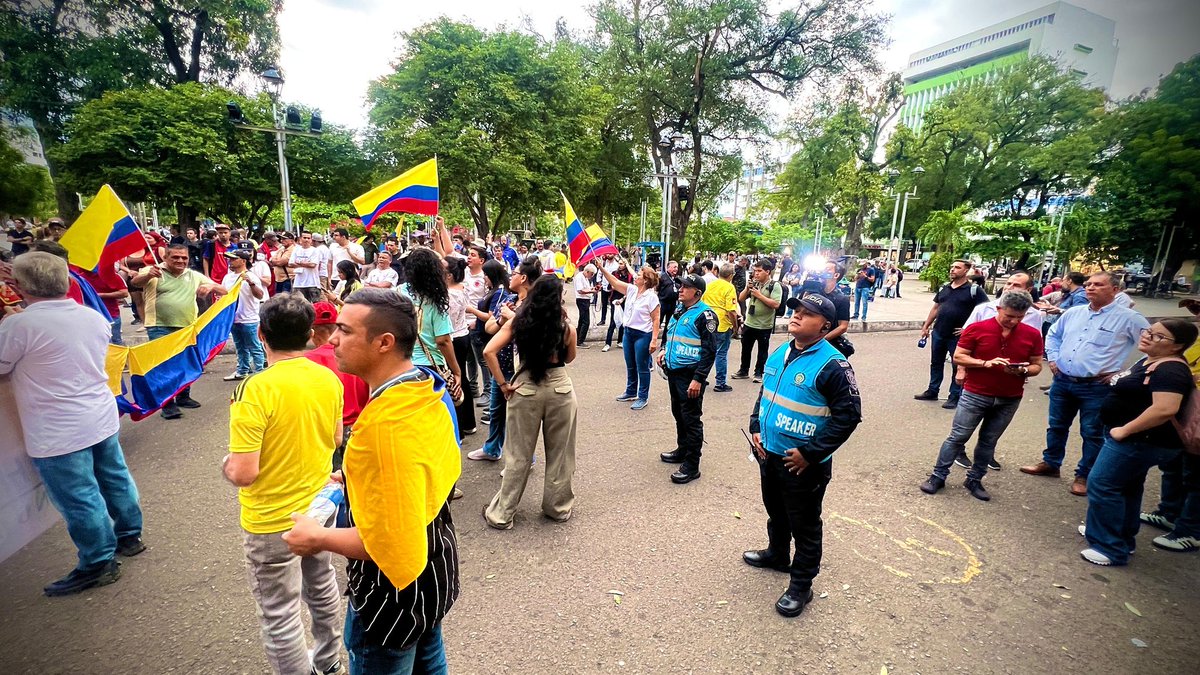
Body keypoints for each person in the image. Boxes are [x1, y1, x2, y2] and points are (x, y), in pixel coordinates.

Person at [282, 289, 461, 674]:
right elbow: (429, 468)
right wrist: (356, 477)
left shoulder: (382, 427)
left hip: (392, 595)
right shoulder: (423, 386)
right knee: (430, 659)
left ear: (384, 342)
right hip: (435, 566)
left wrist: (317, 537)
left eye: (344, 331)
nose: (331, 339)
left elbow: (389, 544)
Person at [0, 251, 145, 596]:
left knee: (80, 496)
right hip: (98, 415)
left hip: (58, 428)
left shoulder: (19, 326)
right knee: (115, 478)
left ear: (19, 286)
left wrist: (12, 318)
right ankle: (130, 535)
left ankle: (98, 561)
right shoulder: (90, 316)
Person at [221, 293, 343, 675]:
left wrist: (226, 465)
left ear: (260, 334)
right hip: (319, 507)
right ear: (310, 334)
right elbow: (337, 439)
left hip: (271, 517)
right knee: (322, 586)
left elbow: (243, 473)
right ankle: (329, 662)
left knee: (279, 610)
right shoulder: (328, 376)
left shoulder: (254, 389)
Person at [745, 292, 862, 617]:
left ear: (825, 325)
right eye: (796, 309)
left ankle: (801, 586)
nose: (796, 315)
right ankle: (777, 554)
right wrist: (756, 425)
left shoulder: (833, 365)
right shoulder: (782, 351)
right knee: (776, 511)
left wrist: (811, 454)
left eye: (807, 313)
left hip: (803, 465)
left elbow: (848, 416)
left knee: (806, 525)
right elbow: (765, 392)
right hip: (769, 453)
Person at [1079, 318, 1198, 566]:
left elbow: (1165, 409)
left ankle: (1109, 547)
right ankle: (1120, 537)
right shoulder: (1150, 360)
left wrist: (1125, 430)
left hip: (1140, 441)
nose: (1147, 336)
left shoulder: (1171, 370)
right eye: (1149, 331)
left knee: (1103, 484)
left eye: (1158, 336)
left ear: (1178, 346)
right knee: (1127, 488)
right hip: (1133, 440)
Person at [1020, 272, 1151, 496]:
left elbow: (1155, 347)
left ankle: (1084, 475)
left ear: (1115, 290)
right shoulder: (1074, 313)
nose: (1091, 288)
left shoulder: (1129, 318)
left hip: (1096, 387)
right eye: (1089, 284)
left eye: (1098, 285)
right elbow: (1053, 334)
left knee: (1091, 432)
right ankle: (1051, 463)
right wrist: (1052, 358)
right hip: (1062, 381)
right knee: (1057, 426)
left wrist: (1124, 373)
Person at [919, 292, 1044, 500]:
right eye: (1009, 316)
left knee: (989, 440)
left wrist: (1023, 370)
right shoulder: (977, 329)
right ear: (999, 309)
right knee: (958, 436)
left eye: (1020, 317)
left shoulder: (1031, 334)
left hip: (1009, 397)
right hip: (976, 393)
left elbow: (1037, 365)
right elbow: (959, 356)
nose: (1014, 321)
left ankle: (975, 479)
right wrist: (985, 363)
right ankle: (938, 476)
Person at [482, 275, 578, 528]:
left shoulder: (518, 323)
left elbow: (488, 351)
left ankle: (502, 513)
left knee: (518, 455)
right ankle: (557, 508)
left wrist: (503, 384)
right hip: (560, 389)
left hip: (524, 388)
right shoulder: (567, 328)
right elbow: (569, 358)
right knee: (560, 454)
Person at [130, 243, 227, 419]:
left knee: (184, 363)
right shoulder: (153, 271)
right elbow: (134, 282)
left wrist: (212, 287)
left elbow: (224, 290)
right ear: (165, 257)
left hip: (187, 327)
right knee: (164, 366)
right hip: (159, 326)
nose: (180, 261)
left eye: (184, 258)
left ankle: (183, 396)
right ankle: (168, 404)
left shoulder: (193, 275)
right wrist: (147, 276)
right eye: (175, 257)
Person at [1140, 299, 1200, 552]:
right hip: (1184, 416)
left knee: (1197, 478)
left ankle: (1191, 531)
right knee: (1174, 466)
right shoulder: (1196, 344)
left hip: (1195, 419)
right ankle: (1169, 511)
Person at [469, 256, 540, 462]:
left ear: (524, 278)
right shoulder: (510, 299)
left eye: (515, 273)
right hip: (500, 362)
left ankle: (524, 457)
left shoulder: (535, 303)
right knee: (497, 410)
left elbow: (533, 332)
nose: (511, 276)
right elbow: (490, 327)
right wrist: (504, 318)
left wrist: (511, 318)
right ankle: (492, 448)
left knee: (518, 417)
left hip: (520, 366)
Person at [658, 274, 718, 483]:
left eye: (686, 287)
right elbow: (670, 333)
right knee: (679, 414)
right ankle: (682, 450)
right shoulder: (679, 310)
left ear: (698, 293)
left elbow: (710, 351)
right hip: (674, 373)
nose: (680, 289)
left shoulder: (705, 316)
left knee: (691, 420)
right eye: (680, 285)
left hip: (690, 375)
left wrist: (699, 379)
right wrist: (664, 350)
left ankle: (692, 466)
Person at [914, 259, 989, 409]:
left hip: (958, 336)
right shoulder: (945, 288)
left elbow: (985, 311)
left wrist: (968, 329)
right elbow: (936, 308)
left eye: (957, 267)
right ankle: (932, 390)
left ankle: (954, 396)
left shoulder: (974, 290)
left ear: (966, 270)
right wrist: (926, 326)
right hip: (939, 332)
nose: (952, 270)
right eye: (952, 267)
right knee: (936, 363)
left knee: (958, 366)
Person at [305, 301, 370, 471]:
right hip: (358, 431)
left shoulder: (308, 361)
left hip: (327, 433)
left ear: (312, 332)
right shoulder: (357, 356)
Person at [400, 247, 464, 404]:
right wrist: (456, 371)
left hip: (402, 364)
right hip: (430, 367)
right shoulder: (436, 300)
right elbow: (443, 341)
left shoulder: (398, 292)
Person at [598, 261, 661, 410]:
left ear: (645, 280)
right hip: (628, 333)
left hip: (642, 335)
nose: (635, 276)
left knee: (642, 366)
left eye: (638, 275)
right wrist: (601, 268)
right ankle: (631, 391)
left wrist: (653, 340)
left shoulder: (651, 297)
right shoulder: (632, 290)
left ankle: (643, 396)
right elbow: (614, 281)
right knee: (630, 364)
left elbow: (656, 319)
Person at [220, 249, 267, 381]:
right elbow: (223, 294)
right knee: (240, 347)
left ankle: (260, 373)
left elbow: (260, 295)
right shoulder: (227, 277)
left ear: (243, 261)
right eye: (229, 259)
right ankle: (242, 370)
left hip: (249, 319)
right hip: (234, 318)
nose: (230, 261)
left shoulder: (251, 276)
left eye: (234, 259)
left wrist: (250, 283)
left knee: (255, 347)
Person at [467, 260, 508, 408]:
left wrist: (472, 310)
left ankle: (490, 394)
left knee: (488, 364)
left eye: (486, 275)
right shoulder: (492, 290)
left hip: (489, 336)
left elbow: (491, 316)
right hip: (480, 333)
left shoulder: (499, 292)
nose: (484, 278)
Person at [735, 259, 783, 383]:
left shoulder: (774, 286)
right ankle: (743, 370)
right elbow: (741, 298)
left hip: (764, 325)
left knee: (762, 350)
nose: (756, 274)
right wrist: (748, 288)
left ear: (767, 271)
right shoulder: (755, 283)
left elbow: (776, 304)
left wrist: (759, 295)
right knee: (746, 348)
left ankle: (758, 372)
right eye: (755, 271)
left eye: (759, 271)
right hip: (749, 322)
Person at [445, 255, 477, 437]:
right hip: (462, 335)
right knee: (461, 376)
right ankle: (468, 422)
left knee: (454, 379)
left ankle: (460, 425)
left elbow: (445, 322)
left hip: (453, 338)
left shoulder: (449, 295)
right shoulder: (462, 288)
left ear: (449, 275)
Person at [702, 263, 738, 392]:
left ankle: (701, 378)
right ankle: (720, 383)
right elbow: (731, 311)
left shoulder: (710, 286)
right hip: (722, 324)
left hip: (708, 322)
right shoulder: (729, 288)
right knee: (721, 354)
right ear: (731, 275)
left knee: (706, 352)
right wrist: (735, 327)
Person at [601, 259, 633, 352]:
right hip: (615, 300)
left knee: (624, 321)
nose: (620, 265)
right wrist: (613, 287)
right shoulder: (614, 273)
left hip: (625, 300)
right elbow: (609, 287)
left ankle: (620, 341)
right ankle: (608, 343)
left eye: (622, 263)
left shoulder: (630, 276)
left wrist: (623, 299)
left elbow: (630, 289)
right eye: (619, 263)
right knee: (613, 321)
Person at [289, 232, 325, 303]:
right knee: (299, 305)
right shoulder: (296, 250)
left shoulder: (315, 250)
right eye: (304, 238)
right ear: (300, 239)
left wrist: (299, 263)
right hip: (298, 283)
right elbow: (290, 264)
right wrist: (305, 263)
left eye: (308, 238)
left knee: (315, 305)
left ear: (311, 240)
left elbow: (313, 265)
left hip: (312, 283)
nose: (306, 240)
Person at [574, 264, 597, 348]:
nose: (592, 276)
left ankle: (578, 338)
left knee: (582, 320)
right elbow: (580, 290)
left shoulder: (585, 278)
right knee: (585, 321)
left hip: (585, 300)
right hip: (582, 300)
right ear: (587, 272)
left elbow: (586, 288)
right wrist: (591, 292)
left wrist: (592, 289)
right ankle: (580, 341)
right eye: (591, 274)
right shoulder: (579, 277)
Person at [657, 260, 680, 330]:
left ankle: (665, 340)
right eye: (674, 267)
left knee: (669, 323)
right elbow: (657, 288)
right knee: (658, 321)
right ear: (668, 268)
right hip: (663, 303)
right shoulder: (662, 277)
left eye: (677, 267)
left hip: (672, 303)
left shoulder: (677, 279)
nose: (676, 269)